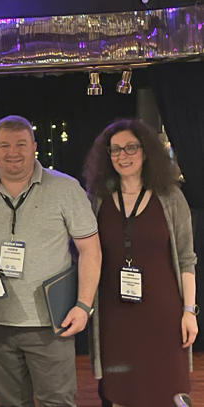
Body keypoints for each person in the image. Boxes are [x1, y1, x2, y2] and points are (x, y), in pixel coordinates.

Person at [0, 115, 102, 407]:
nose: (13, 152)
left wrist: (83, 306)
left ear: (34, 146)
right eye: (4, 145)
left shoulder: (66, 188)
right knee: (11, 404)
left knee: (57, 402)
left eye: (21, 143)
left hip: (50, 322)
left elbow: (90, 250)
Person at [83, 119, 197, 407]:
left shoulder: (171, 197)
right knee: (121, 389)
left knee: (165, 389)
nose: (123, 155)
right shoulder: (96, 199)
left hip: (163, 313)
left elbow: (186, 259)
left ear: (146, 152)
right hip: (114, 313)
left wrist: (189, 311)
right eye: (115, 150)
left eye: (131, 148)